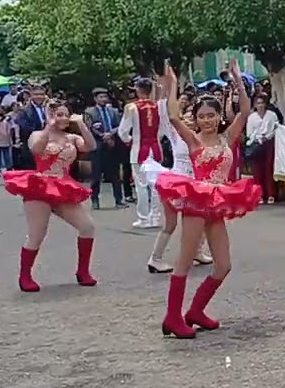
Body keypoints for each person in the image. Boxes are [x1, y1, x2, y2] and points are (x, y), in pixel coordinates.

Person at [146, 61, 262, 339]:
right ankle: (173, 317)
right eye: (202, 116)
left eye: (212, 115)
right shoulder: (194, 141)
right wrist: (172, 84)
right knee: (185, 260)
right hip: (197, 202)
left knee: (223, 265)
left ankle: (195, 311)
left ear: (219, 115)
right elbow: (173, 117)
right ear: (196, 119)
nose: (207, 120)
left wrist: (237, 79)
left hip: (218, 203)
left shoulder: (227, 138)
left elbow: (245, 111)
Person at [2, 99, 99, 292]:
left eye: (65, 114)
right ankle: (25, 276)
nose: (62, 118)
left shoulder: (72, 138)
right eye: (58, 114)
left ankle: (83, 271)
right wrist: (49, 126)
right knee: (37, 234)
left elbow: (91, 146)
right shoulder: (37, 134)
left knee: (87, 226)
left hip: (63, 186)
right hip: (40, 185)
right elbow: (37, 149)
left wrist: (80, 123)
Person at [145, 82, 216, 274]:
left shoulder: (201, 137)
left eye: (192, 118)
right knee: (172, 223)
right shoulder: (176, 134)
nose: (189, 121)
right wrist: (169, 86)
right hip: (177, 183)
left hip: (195, 184)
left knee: (203, 217)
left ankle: (197, 251)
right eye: (185, 117)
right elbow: (165, 112)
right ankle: (156, 258)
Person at [118, 77, 167, 229]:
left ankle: (144, 218)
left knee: (141, 185)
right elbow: (163, 130)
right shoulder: (158, 107)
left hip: (139, 149)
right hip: (156, 149)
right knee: (155, 185)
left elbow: (123, 131)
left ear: (138, 89)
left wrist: (130, 140)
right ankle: (156, 217)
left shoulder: (131, 107)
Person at [84, 88, 125, 210]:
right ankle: (95, 200)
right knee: (96, 175)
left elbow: (119, 125)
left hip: (112, 145)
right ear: (95, 99)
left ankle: (119, 200)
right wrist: (103, 136)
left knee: (115, 175)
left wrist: (111, 133)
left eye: (105, 97)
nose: (103, 99)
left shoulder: (113, 111)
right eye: (100, 97)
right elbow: (89, 127)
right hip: (98, 146)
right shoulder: (89, 112)